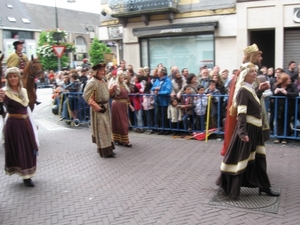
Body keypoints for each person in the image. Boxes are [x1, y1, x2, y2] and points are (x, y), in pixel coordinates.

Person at [216, 62, 280, 200]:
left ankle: (264, 187)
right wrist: (243, 133)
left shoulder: (250, 89)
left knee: (259, 159)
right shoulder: (243, 90)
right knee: (241, 159)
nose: (254, 73)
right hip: (248, 130)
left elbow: (252, 104)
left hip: (255, 130)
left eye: (255, 71)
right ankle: (232, 190)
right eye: (251, 71)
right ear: (245, 75)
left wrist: (260, 91)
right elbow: (242, 114)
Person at [0, 67, 39, 187]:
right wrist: (0, 101)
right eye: (10, 76)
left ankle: (29, 172)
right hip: (14, 124)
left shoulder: (23, 91)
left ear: (19, 77)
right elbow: (2, 111)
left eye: (15, 76)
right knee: (20, 149)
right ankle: (25, 177)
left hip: (26, 123)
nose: (13, 78)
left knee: (29, 148)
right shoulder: (4, 92)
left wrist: (33, 122)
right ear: (7, 79)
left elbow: (27, 108)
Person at [83, 63, 116, 158]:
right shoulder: (92, 82)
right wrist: (98, 107)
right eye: (100, 70)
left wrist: (112, 90)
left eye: (103, 70)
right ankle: (105, 151)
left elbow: (106, 94)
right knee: (102, 129)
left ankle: (109, 148)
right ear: (96, 72)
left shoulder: (103, 81)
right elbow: (87, 97)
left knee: (107, 129)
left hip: (106, 107)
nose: (102, 72)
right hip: (99, 109)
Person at [272, 73, 298, 144]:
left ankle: (285, 138)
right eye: (287, 79)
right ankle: (278, 137)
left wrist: (286, 93)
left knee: (286, 122)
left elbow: (296, 93)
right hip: (278, 107)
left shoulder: (292, 86)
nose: (289, 80)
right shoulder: (277, 85)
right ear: (283, 81)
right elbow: (272, 93)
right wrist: (275, 92)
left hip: (288, 107)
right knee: (279, 122)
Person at [111, 72, 134, 147]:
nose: (122, 78)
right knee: (119, 122)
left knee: (123, 121)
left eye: (123, 77)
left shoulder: (124, 86)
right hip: (117, 104)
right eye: (121, 77)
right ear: (118, 77)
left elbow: (126, 97)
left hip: (123, 105)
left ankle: (121, 139)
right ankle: (121, 140)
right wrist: (112, 89)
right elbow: (111, 95)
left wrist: (130, 105)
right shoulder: (115, 85)